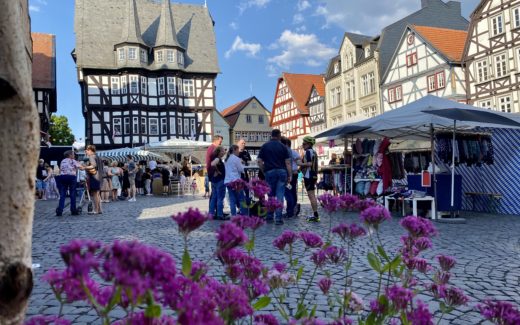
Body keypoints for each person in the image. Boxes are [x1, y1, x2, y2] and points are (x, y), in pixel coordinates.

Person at [257, 129, 292, 225]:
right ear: (279, 136)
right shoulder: (283, 147)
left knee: (271, 195)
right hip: (282, 172)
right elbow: (288, 163)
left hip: (269, 172)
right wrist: (290, 175)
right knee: (280, 195)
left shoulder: (265, 146)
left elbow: (259, 161)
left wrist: (264, 171)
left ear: (271, 135)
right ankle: (279, 218)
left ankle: (269, 216)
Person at [55, 150, 83, 216]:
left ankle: (60, 210)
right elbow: (81, 167)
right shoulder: (72, 160)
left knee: (63, 194)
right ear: (70, 155)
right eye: (73, 154)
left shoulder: (62, 161)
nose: (74, 156)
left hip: (63, 177)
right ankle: (73, 210)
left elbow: (61, 170)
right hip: (71, 177)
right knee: (72, 194)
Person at [299, 136, 320, 222]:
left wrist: (300, 164)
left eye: (304, 144)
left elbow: (309, 164)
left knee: (311, 196)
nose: (302, 145)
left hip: (309, 175)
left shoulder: (308, 152)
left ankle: (316, 215)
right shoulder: (314, 152)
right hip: (313, 175)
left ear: (308, 144)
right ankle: (315, 214)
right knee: (312, 195)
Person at [281, 137, 301, 218]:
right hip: (294, 173)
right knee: (292, 191)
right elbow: (299, 160)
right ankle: (293, 208)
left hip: (290, 174)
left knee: (289, 192)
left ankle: (291, 210)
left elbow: (299, 160)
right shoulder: (293, 152)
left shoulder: (289, 151)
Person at [224, 144, 246, 216]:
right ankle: (243, 214)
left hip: (228, 181)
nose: (239, 152)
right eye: (238, 150)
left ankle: (233, 215)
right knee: (241, 198)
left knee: (232, 199)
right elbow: (241, 169)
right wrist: (242, 164)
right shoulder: (236, 159)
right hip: (236, 181)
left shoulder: (227, 159)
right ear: (234, 150)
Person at [208, 146, 227, 220]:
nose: (224, 152)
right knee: (220, 198)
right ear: (219, 152)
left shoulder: (217, 159)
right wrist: (218, 171)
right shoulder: (217, 159)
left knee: (214, 198)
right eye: (223, 151)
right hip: (219, 181)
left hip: (214, 180)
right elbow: (213, 164)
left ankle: (211, 214)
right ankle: (219, 214)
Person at [84, 144, 103, 215]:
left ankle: (96, 210)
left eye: (87, 150)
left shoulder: (91, 156)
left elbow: (93, 165)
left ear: (90, 150)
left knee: (95, 194)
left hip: (94, 177)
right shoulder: (98, 157)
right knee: (97, 194)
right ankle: (100, 209)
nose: (86, 151)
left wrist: (85, 167)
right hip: (99, 176)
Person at [237, 138, 252, 204]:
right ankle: (240, 207)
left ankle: (247, 206)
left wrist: (246, 163)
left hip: (245, 175)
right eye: (242, 143)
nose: (243, 144)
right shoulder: (236, 153)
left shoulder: (246, 153)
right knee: (239, 192)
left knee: (247, 191)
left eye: (244, 143)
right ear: (238, 144)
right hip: (238, 176)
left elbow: (250, 163)